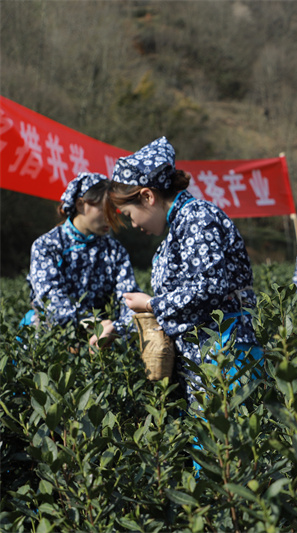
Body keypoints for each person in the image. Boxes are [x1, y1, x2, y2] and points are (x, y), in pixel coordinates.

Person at [105, 137, 261, 396]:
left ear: (147, 196)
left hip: (226, 355)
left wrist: (150, 304)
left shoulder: (197, 217)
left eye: (130, 215)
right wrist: (119, 327)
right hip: (204, 359)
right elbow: (180, 301)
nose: (133, 224)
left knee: (227, 434)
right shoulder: (179, 227)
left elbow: (209, 285)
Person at [26, 172, 140, 347]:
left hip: (103, 342)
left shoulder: (114, 250)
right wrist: (94, 325)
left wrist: (119, 327)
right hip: (54, 341)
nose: (111, 218)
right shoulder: (48, 246)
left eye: (114, 211)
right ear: (81, 205)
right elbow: (51, 300)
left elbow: (129, 297)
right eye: (104, 210)